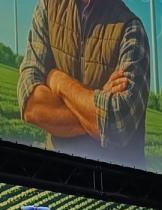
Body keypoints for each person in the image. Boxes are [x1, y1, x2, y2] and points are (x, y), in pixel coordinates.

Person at [18, 0, 150, 168]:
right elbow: (30, 104)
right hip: (59, 177)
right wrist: (95, 113)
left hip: (114, 185)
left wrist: (58, 81)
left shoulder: (131, 30)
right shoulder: (48, 6)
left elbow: (117, 124)